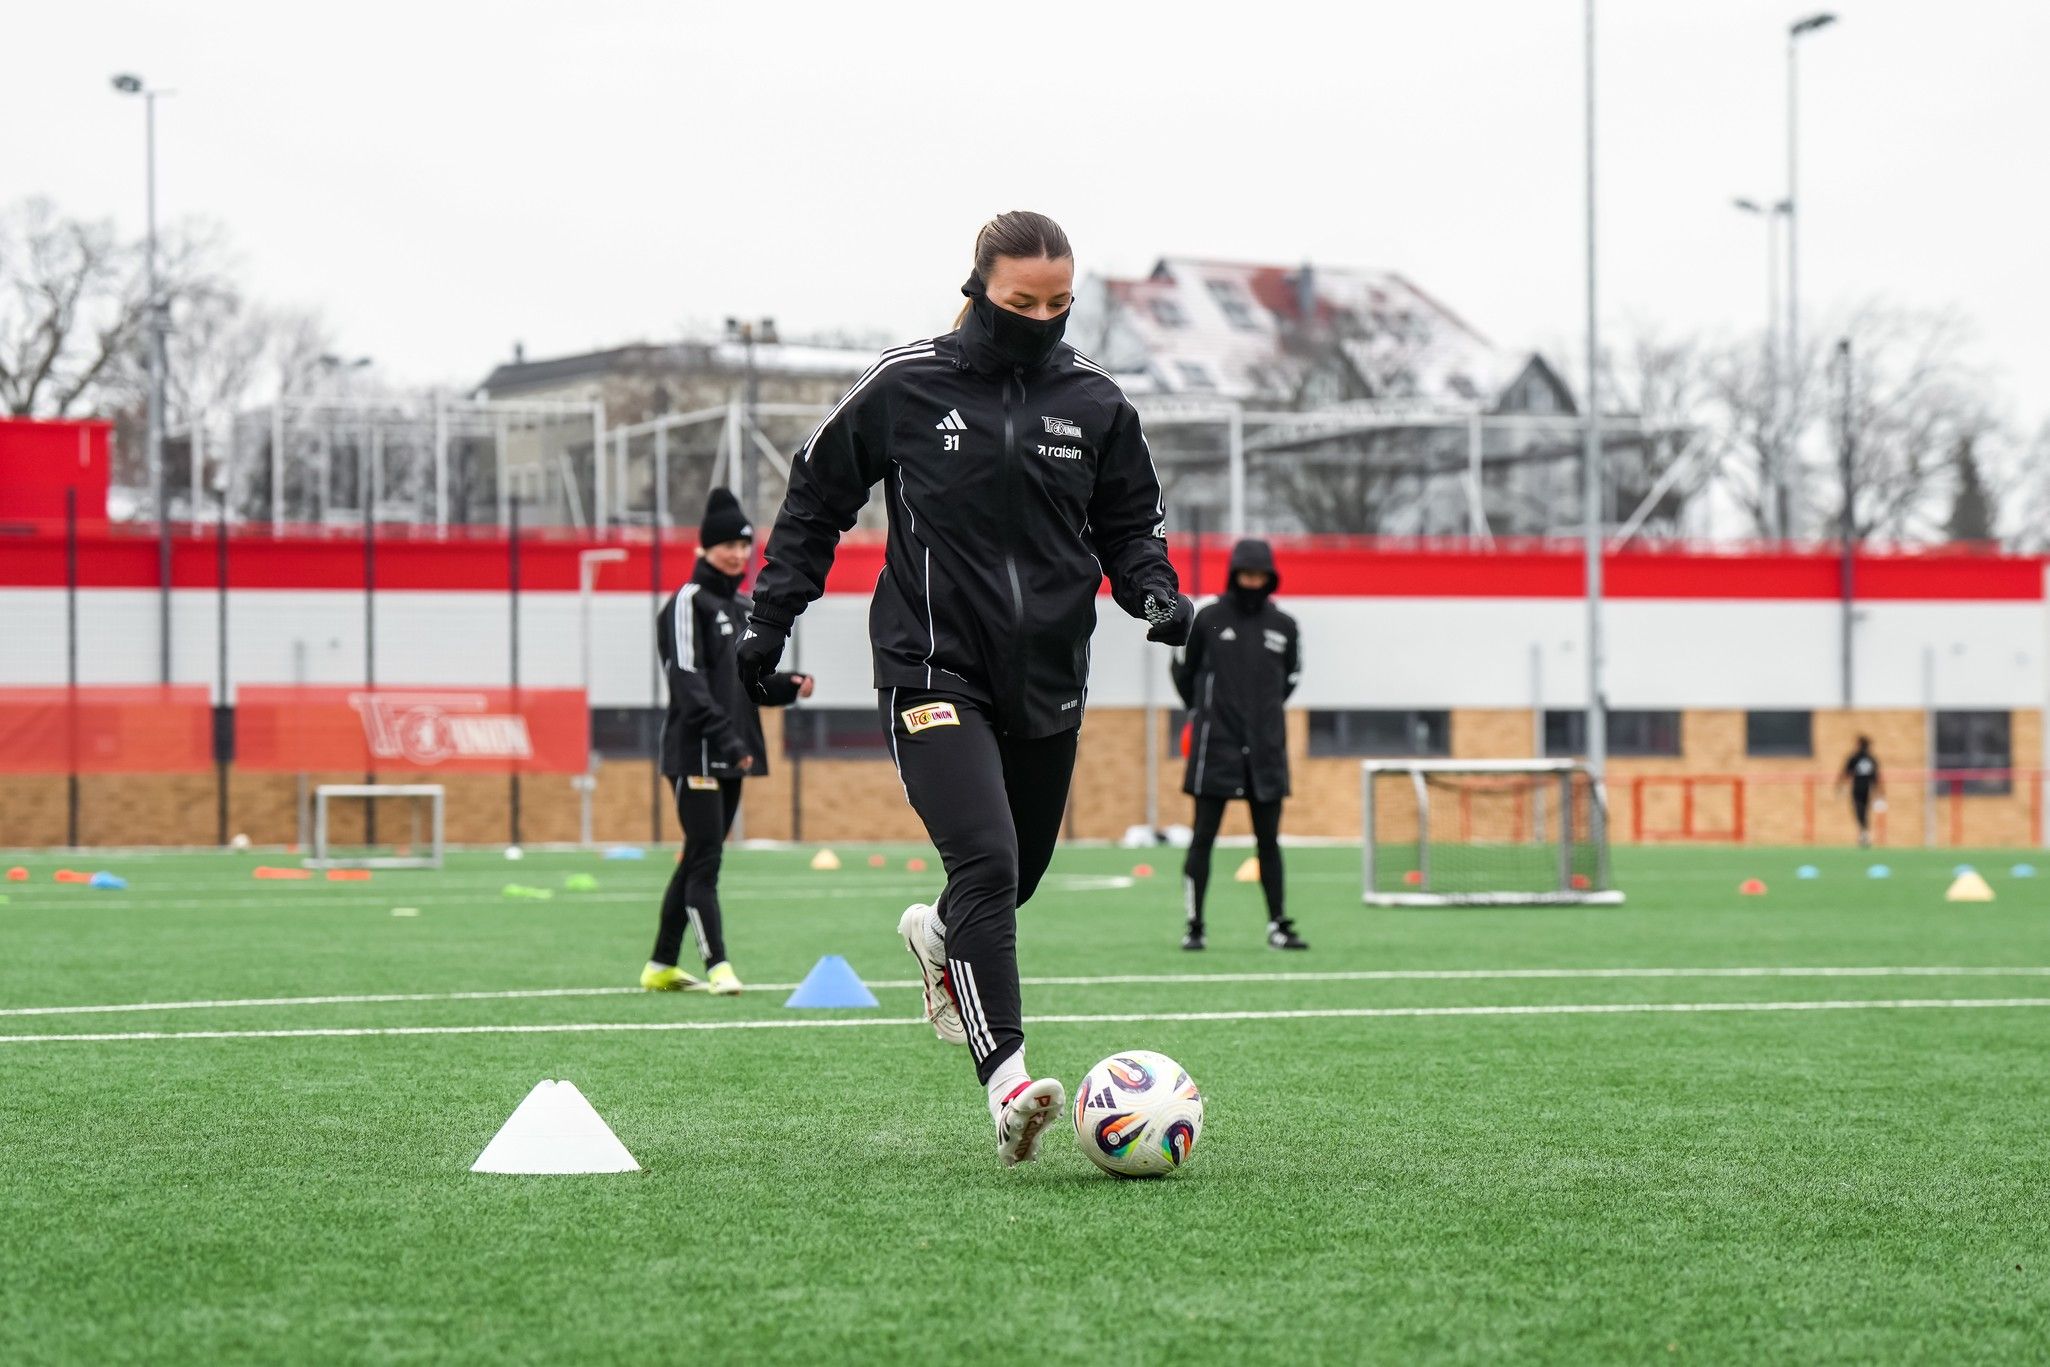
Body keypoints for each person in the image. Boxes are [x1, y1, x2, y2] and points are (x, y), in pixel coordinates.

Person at [734, 210, 1190, 1167]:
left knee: (1015, 878)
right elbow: (817, 497)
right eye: (1022, 302)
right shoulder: (907, 384)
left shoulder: (1097, 403)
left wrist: (1151, 587)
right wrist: (767, 618)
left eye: (1061, 304)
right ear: (979, 286)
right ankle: (1008, 1082)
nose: (1042, 318)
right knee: (984, 859)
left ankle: (939, 937)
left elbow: (1130, 521)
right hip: (931, 664)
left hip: (1051, 675)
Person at [643, 487, 813, 997]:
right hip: (697, 750)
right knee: (705, 860)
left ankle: (659, 964)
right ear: (704, 548)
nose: (738, 555)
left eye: (744, 545)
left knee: (700, 853)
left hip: (734, 749)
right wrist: (724, 736)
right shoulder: (685, 602)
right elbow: (687, 681)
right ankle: (717, 964)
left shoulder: (743, 605)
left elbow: (746, 685)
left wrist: (788, 686)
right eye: (727, 546)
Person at [1171, 538, 1305, 952]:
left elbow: (1289, 681)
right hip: (1216, 748)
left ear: (1269, 578)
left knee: (1269, 841)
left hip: (1266, 752)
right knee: (1203, 838)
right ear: (1234, 575)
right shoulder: (1208, 618)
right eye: (1246, 574)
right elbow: (1183, 673)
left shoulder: (1284, 626)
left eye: (1259, 575)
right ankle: (1195, 925)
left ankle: (1278, 926)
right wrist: (1208, 714)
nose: (1252, 582)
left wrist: (1259, 720)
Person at [1837, 735, 1884, 848]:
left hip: (1857, 788)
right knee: (1864, 811)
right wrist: (1880, 792)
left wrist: (1840, 786)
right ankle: (1864, 833)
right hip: (1867, 789)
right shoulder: (1871, 759)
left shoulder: (1855, 757)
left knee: (1859, 811)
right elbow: (1876, 778)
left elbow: (1846, 773)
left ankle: (1864, 832)